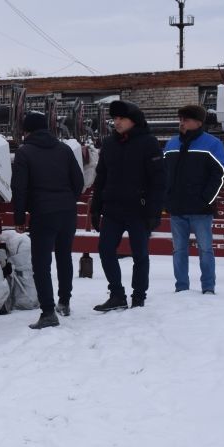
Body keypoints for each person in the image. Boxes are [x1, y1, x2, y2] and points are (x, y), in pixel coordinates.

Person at [11, 111, 85, 329]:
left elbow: (19, 188)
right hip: (67, 213)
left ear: (27, 131)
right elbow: (78, 181)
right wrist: (68, 199)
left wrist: (19, 216)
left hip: (43, 214)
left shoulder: (25, 153)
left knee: (41, 264)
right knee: (64, 256)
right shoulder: (64, 149)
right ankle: (65, 301)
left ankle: (48, 312)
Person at [90, 100, 165, 311]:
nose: (117, 122)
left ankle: (139, 295)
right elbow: (101, 177)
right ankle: (116, 294)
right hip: (112, 209)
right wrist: (96, 207)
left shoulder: (149, 143)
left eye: (121, 118)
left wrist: (154, 212)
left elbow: (158, 181)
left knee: (140, 254)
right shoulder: (110, 143)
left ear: (134, 121)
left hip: (138, 210)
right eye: (114, 119)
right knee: (105, 250)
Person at [163, 104, 224, 294]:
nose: (181, 122)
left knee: (206, 250)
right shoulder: (172, 144)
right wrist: (166, 199)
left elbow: (221, 174)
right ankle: (181, 287)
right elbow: (163, 174)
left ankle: (208, 287)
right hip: (177, 209)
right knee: (179, 251)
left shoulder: (212, 144)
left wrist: (206, 200)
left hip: (201, 210)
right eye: (180, 119)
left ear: (199, 122)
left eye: (186, 119)